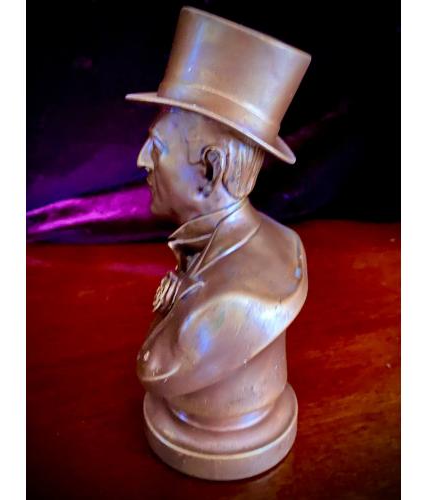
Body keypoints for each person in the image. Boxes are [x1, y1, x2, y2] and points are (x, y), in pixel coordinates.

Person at [127, 7, 311, 480]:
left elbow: (156, 368)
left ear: (210, 170)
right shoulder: (287, 243)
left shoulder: (231, 304)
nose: (142, 159)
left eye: (157, 147)